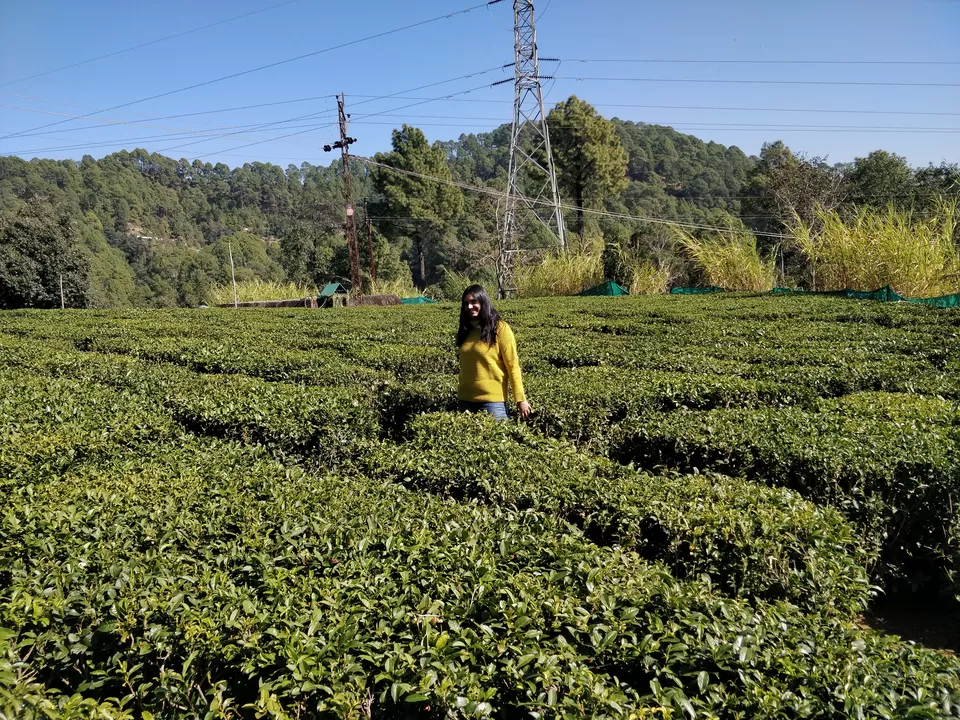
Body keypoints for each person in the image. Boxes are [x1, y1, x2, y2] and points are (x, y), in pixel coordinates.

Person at [456, 284, 532, 421]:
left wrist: (520, 399)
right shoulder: (466, 331)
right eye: (466, 303)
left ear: (483, 302)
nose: (469, 307)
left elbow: (513, 366)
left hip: (492, 402)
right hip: (465, 401)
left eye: (474, 302)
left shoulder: (500, 328)